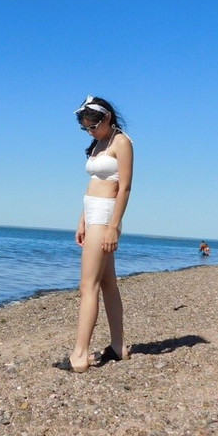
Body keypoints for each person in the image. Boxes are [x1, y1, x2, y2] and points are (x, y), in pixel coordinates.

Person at [61, 95, 133, 373]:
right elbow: (94, 183)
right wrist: (82, 221)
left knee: (87, 286)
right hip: (92, 217)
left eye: (94, 126)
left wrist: (113, 226)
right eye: (86, 128)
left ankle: (79, 355)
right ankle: (117, 347)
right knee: (107, 284)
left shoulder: (121, 142)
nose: (90, 131)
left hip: (105, 218)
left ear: (107, 118)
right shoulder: (99, 144)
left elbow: (124, 188)